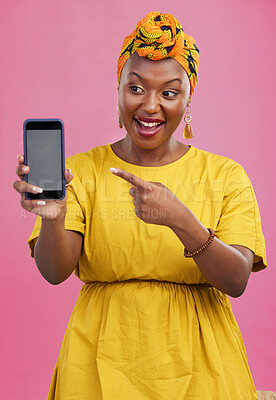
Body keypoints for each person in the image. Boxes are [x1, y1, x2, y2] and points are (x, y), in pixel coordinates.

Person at [14, 11, 267, 400]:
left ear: (188, 99)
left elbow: (237, 280)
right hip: (98, 366)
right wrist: (54, 218)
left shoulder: (226, 175)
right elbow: (54, 272)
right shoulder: (81, 171)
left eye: (168, 92)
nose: (150, 106)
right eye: (136, 88)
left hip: (203, 370)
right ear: (118, 92)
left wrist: (181, 220)